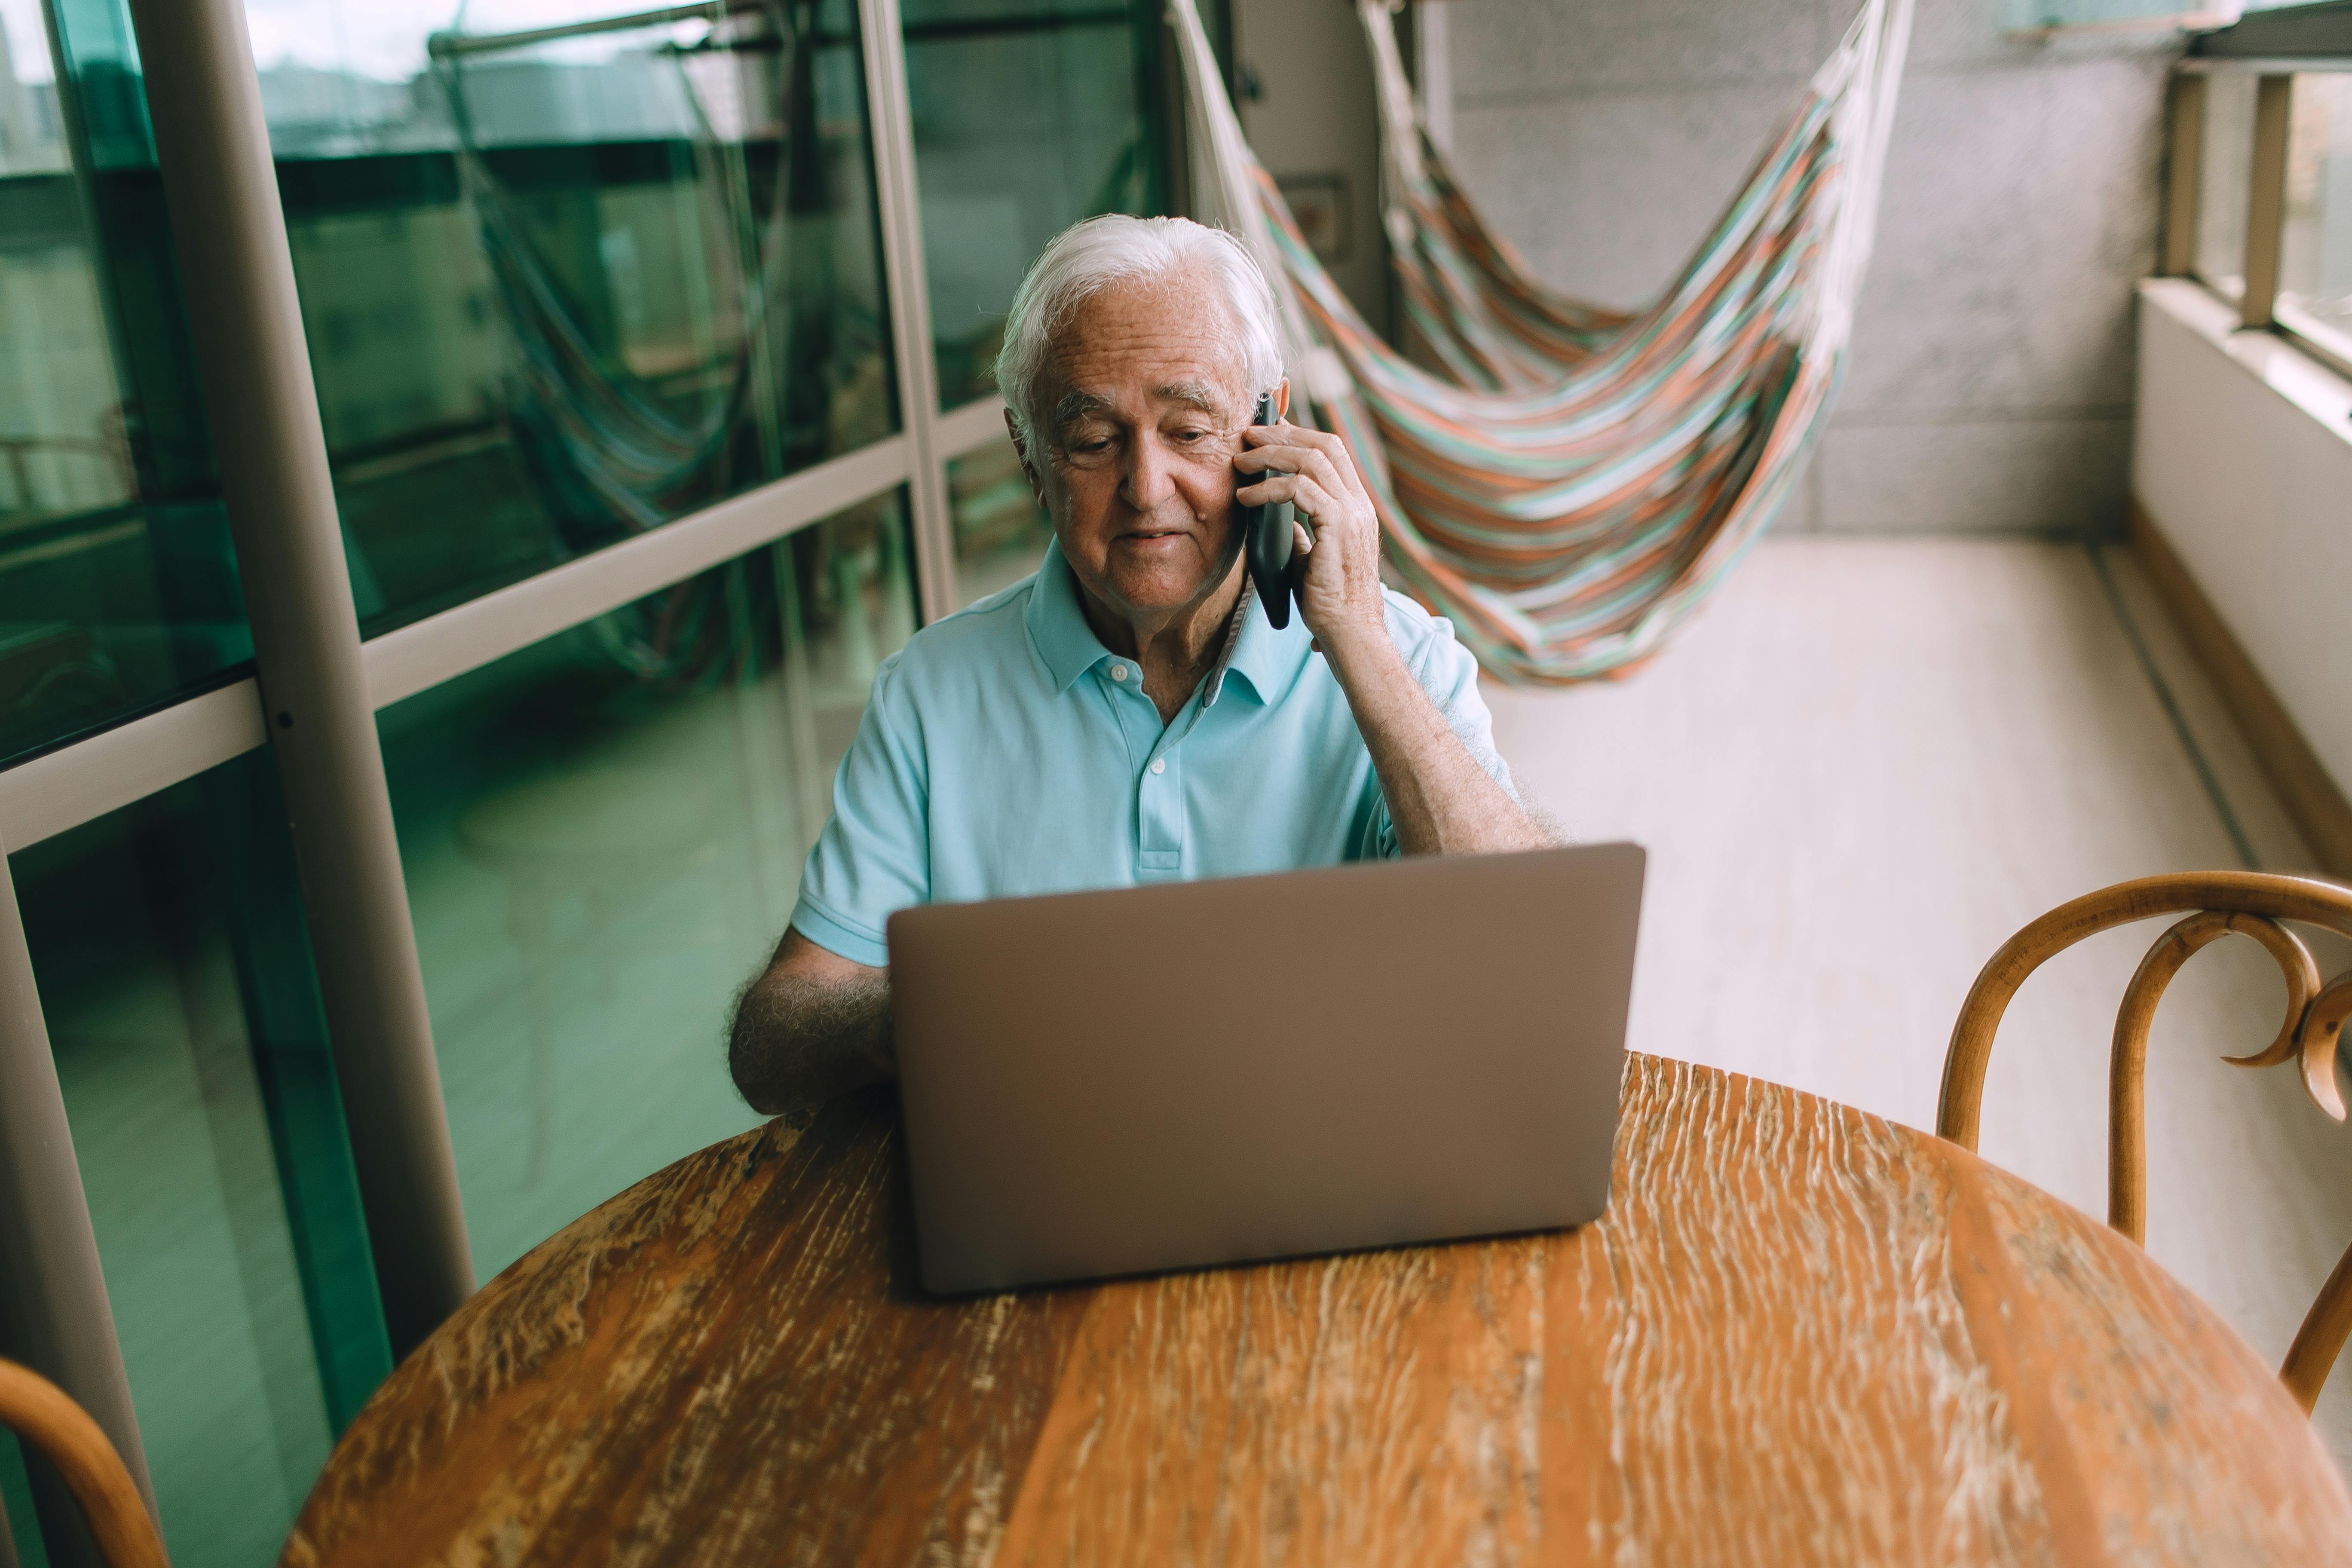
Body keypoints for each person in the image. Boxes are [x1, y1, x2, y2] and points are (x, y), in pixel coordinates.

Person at [729, 213, 1551, 1121]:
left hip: (1340, 1160)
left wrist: (1357, 640)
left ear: (1267, 427)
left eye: (1189, 430)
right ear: (1029, 456)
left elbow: (1529, 965)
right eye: (1093, 441)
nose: (1147, 487)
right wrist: (952, 1016)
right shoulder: (931, 690)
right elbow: (773, 1045)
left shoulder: (1400, 657)